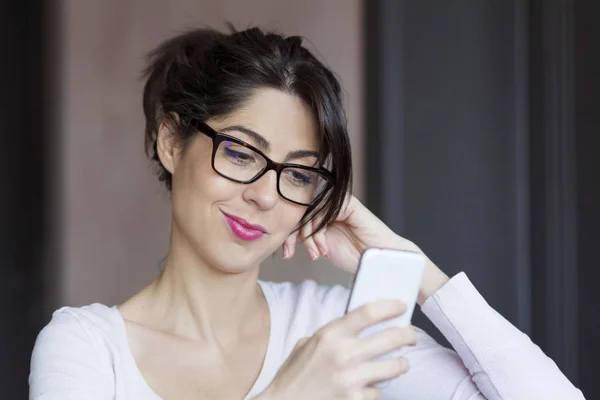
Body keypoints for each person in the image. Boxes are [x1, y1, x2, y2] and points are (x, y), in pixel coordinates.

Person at [29, 26, 585, 400]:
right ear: (172, 142)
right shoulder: (86, 346)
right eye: (242, 153)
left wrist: (418, 272)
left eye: (297, 174)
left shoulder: (336, 327)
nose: (266, 196)